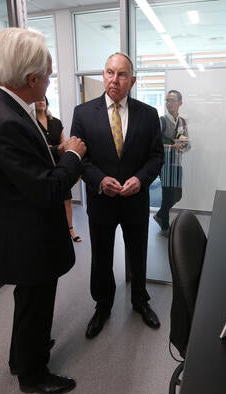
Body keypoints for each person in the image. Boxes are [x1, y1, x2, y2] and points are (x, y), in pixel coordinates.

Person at [0, 27, 86, 394]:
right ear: (31, 78)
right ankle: (32, 375)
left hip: (10, 230)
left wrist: (51, 151)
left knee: (29, 303)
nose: (49, 80)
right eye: (47, 74)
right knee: (35, 303)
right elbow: (48, 187)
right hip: (26, 237)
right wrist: (72, 156)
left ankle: (24, 355)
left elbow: (16, 165)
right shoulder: (6, 122)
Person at [71, 52, 164, 339]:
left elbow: (156, 156)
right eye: (110, 72)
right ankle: (103, 305)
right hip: (102, 201)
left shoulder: (148, 115)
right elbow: (79, 158)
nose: (115, 79)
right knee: (101, 257)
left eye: (122, 74)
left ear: (132, 80)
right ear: (103, 75)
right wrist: (99, 180)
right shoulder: (83, 113)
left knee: (138, 253)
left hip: (136, 200)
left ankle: (140, 301)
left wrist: (141, 178)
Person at [34, 96, 81, 242]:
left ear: (47, 102)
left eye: (43, 99)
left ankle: (71, 230)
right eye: (38, 99)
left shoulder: (56, 122)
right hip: (41, 166)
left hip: (58, 165)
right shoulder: (31, 122)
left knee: (66, 198)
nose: (41, 101)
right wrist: (54, 149)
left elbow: (64, 144)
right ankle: (52, 233)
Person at [153, 90, 189, 235]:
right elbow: (154, 143)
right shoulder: (161, 121)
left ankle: (160, 215)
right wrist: (170, 146)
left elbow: (185, 141)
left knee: (177, 195)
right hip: (165, 164)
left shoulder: (182, 122)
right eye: (167, 100)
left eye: (172, 100)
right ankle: (165, 227)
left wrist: (183, 146)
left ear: (180, 103)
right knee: (168, 194)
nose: (169, 103)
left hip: (176, 163)